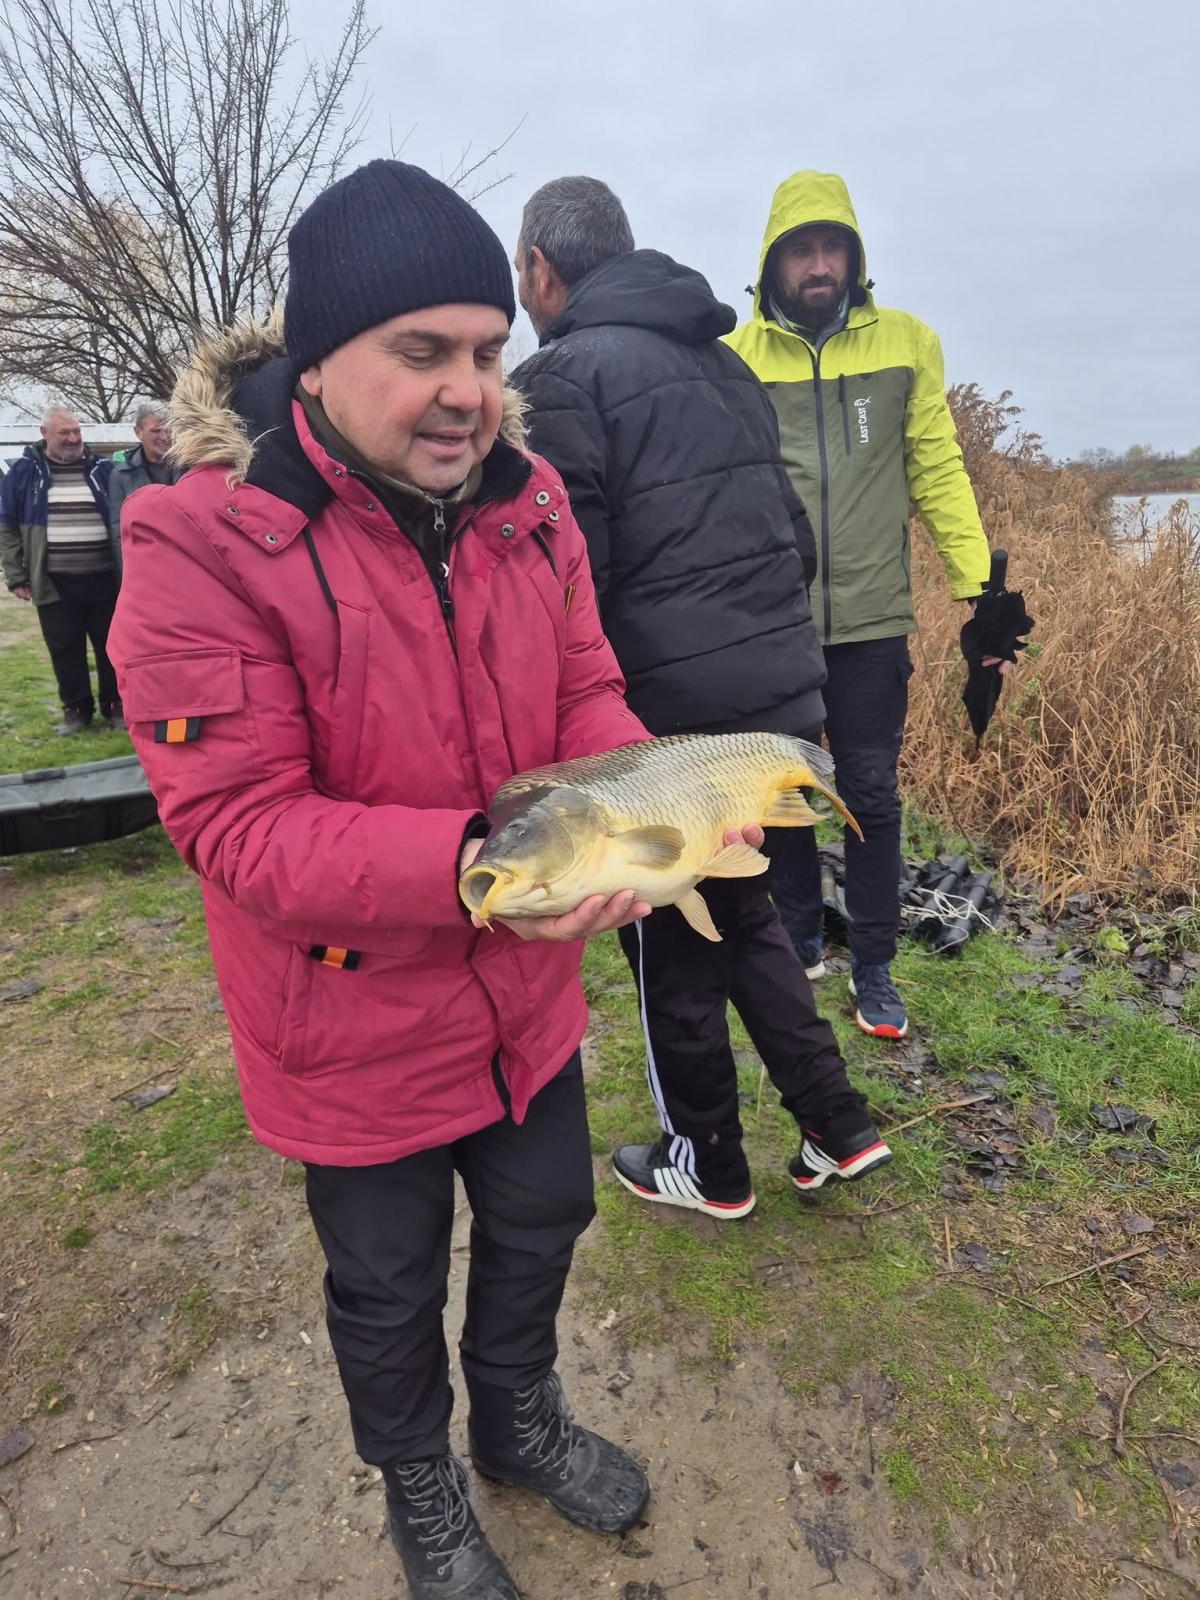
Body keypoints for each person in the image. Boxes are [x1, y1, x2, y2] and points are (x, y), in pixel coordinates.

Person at [103, 160, 745, 1600]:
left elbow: (588, 692)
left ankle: (517, 1424)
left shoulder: (531, 501)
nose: (469, 393)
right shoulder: (199, 536)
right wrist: (481, 866)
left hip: (524, 986)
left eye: (488, 352)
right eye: (423, 352)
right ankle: (422, 1486)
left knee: (543, 1219)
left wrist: (622, 817)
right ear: (320, 359)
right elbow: (241, 824)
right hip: (347, 1019)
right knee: (387, 1287)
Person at [512, 176, 891, 1220]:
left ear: (541, 268)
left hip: (667, 719)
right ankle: (839, 1123)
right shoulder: (725, 363)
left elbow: (568, 579)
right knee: (742, 909)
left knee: (664, 936)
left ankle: (708, 1161)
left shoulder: (559, 378)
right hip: (778, 694)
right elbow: (794, 536)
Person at [725, 171, 992, 1040]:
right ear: (773, 261)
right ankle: (801, 938)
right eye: (801, 250)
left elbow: (936, 467)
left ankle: (874, 965)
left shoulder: (908, 343)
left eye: (831, 247)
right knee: (787, 790)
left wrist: (979, 585)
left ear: (853, 255)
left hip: (873, 616)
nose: (818, 265)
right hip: (775, 621)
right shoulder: (735, 358)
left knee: (870, 792)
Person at [0, 405, 121, 733]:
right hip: (53, 580)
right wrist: (16, 576)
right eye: (64, 432)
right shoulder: (24, 473)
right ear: (44, 434)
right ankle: (77, 710)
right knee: (65, 648)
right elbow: (7, 527)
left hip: (105, 578)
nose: (72, 438)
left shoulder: (103, 469)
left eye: (76, 431)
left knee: (112, 646)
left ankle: (116, 706)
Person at [108, 401, 180, 527]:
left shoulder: (188, 468)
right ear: (138, 433)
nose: (164, 437)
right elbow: (118, 526)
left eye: (168, 430)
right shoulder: (122, 475)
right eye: (156, 431)